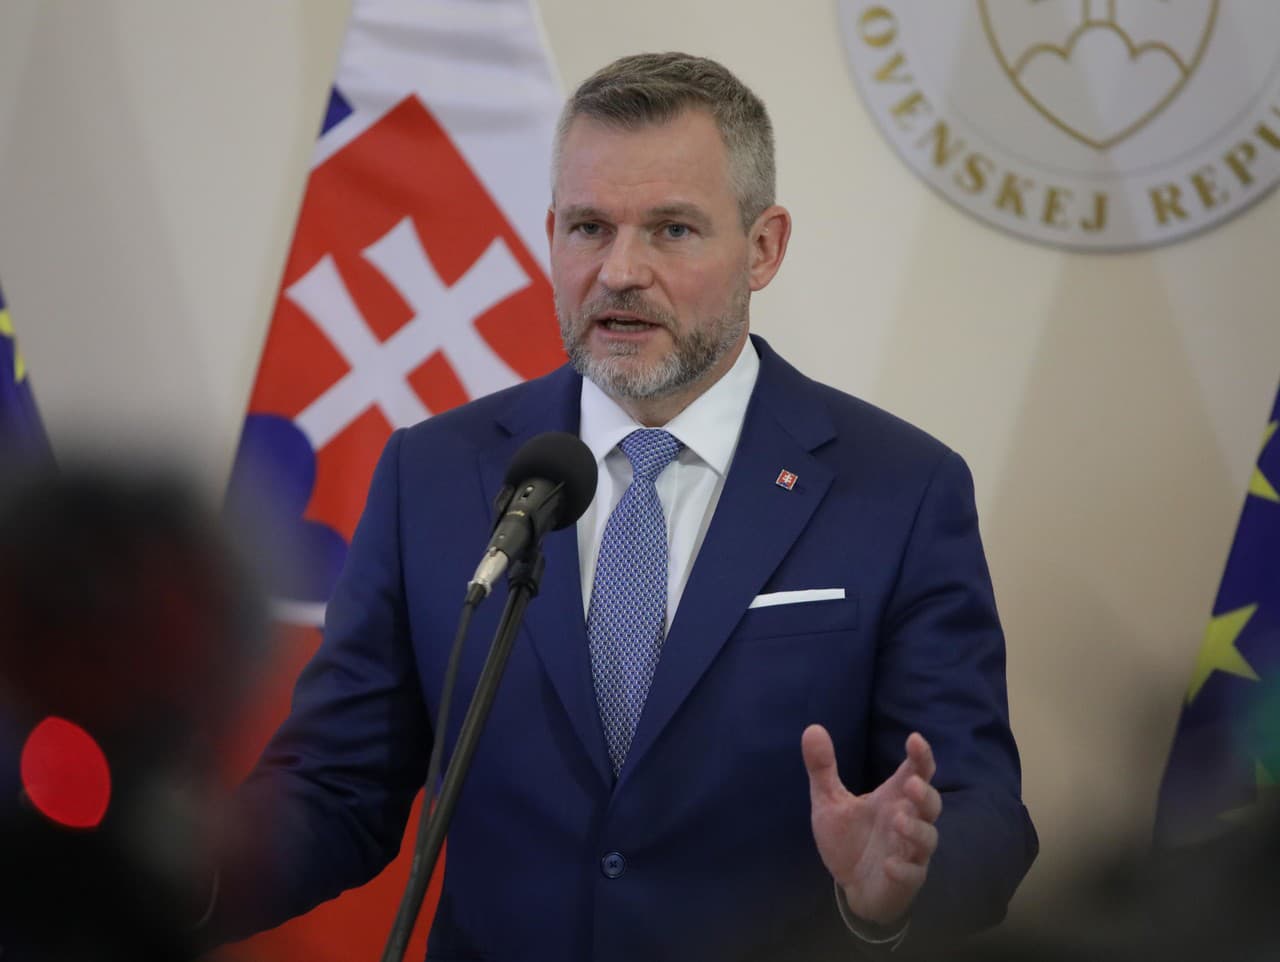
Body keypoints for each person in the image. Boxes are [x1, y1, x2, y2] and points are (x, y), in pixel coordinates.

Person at [215, 53, 1037, 959]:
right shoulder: (434, 473)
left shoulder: (900, 489)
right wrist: (179, 876)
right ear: (550, 236)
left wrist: (900, 889)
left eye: (672, 230)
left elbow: (981, 807)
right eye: (589, 228)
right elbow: (338, 785)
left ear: (763, 248)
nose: (619, 271)